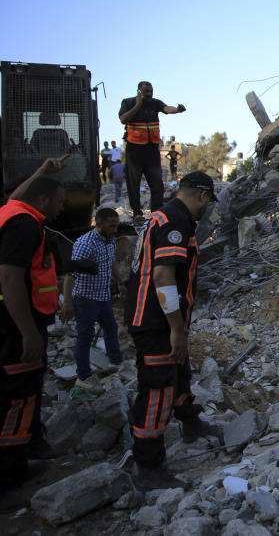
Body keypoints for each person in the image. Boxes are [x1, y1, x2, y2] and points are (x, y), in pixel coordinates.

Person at [125, 172, 219, 490]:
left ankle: (190, 421)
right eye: (208, 203)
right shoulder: (176, 221)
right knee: (156, 389)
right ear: (202, 197)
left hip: (158, 317)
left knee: (178, 370)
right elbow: (164, 275)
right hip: (155, 321)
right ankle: (149, 466)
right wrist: (176, 328)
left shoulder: (164, 215)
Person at [0, 173, 65, 511]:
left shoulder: (11, 213)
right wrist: (27, 332)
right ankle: (4, 479)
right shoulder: (24, 226)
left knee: (24, 394)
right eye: (58, 201)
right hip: (13, 328)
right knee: (16, 398)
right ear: (42, 200)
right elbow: (9, 278)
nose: (61, 208)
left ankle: (19, 462)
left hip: (18, 323)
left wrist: (42, 169)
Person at [61, 209, 124, 395]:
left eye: (116, 225)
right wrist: (67, 302)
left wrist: (120, 283)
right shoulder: (85, 244)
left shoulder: (110, 239)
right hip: (85, 298)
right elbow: (70, 275)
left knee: (111, 327)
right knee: (85, 336)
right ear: (100, 224)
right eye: (111, 225)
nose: (115, 229)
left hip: (103, 295)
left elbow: (110, 261)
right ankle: (83, 377)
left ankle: (115, 362)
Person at [119, 81, 186, 219]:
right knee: (134, 182)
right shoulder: (128, 102)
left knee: (157, 183)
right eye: (146, 91)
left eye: (151, 91)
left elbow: (167, 108)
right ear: (139, 91)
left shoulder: (155, 103)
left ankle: (156, 212)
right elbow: (123, 119)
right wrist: (138, 105)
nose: (149, 94)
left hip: (151, 149)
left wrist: (177, 110)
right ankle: (137, 212)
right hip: (135, 149)